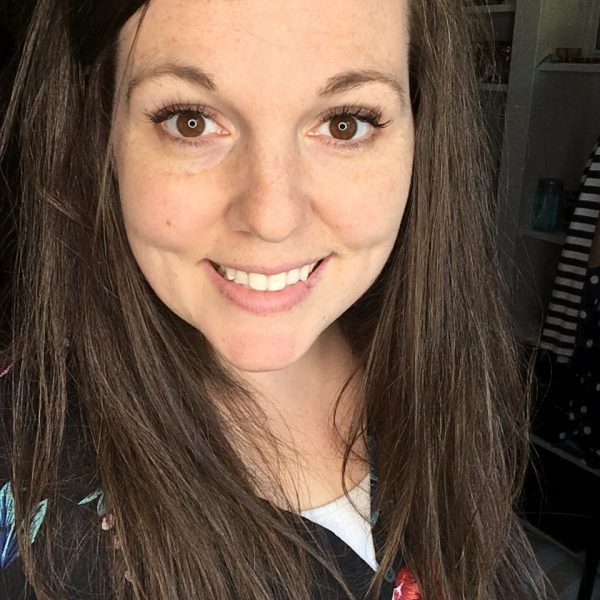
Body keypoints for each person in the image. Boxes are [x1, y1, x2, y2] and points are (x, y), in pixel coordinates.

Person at [0, 0, 552, 598]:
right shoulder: (22, 466)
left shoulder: (445, 383)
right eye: (190, 121)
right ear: (102, 131)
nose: (272, 217)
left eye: (345, 123)